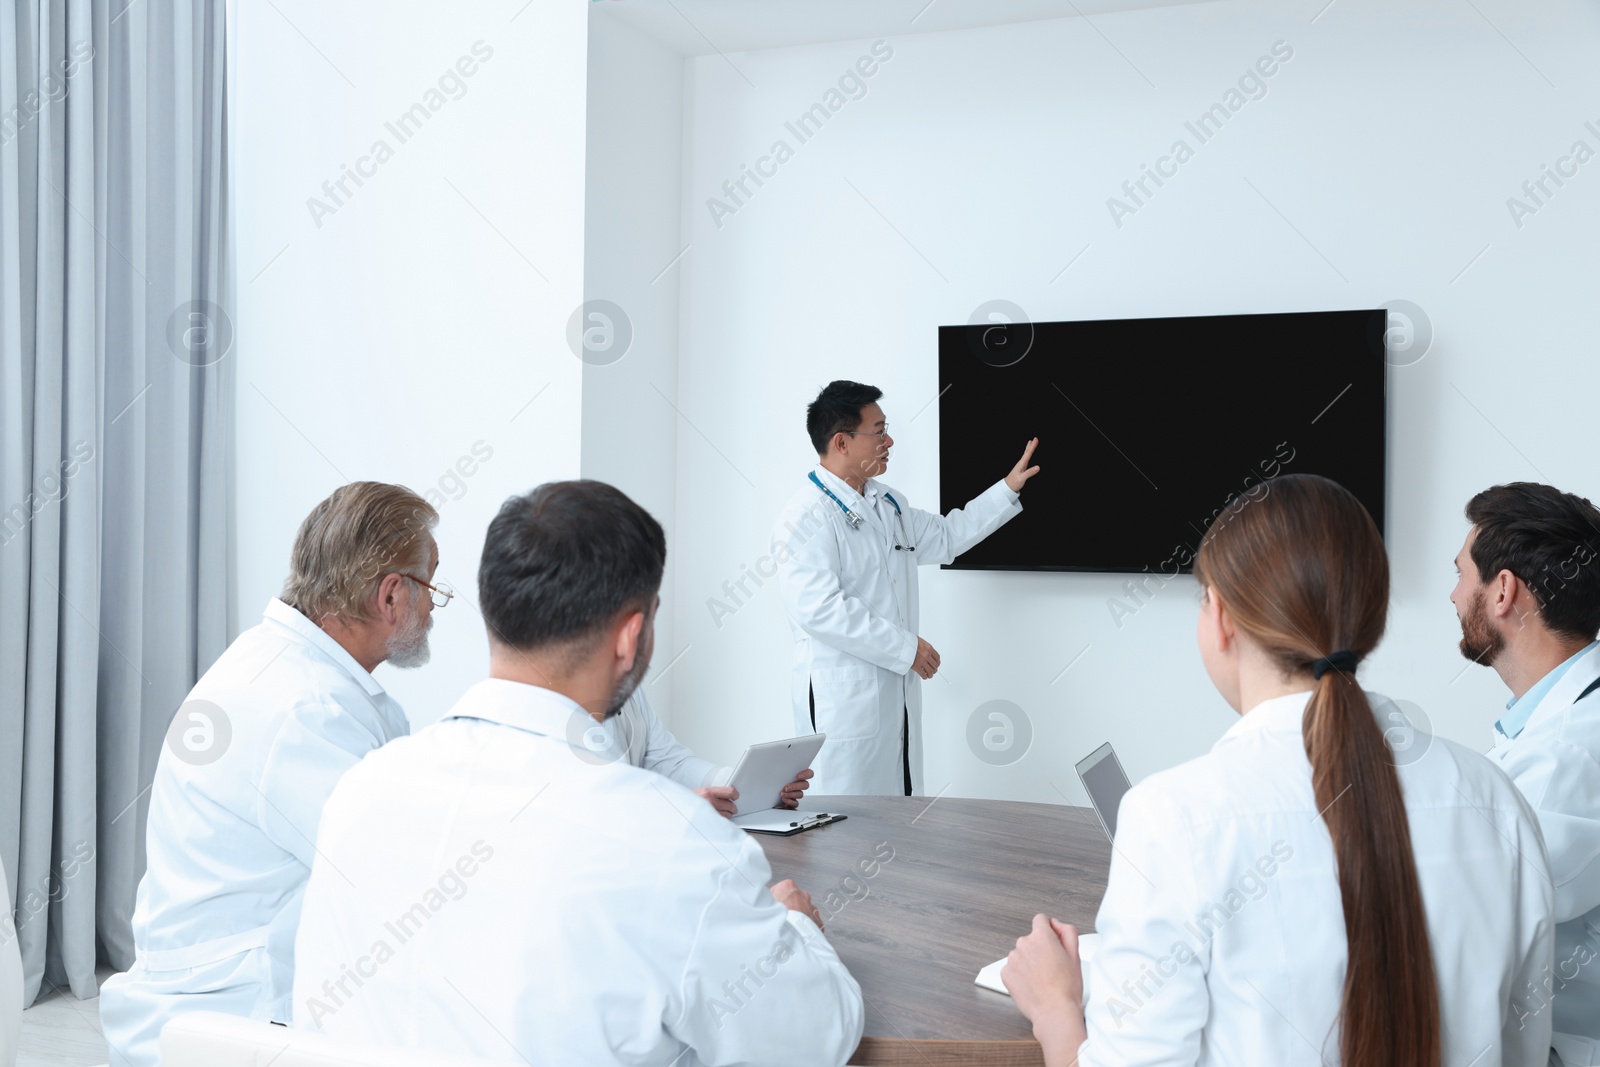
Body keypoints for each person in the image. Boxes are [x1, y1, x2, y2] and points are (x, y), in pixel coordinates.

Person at [292, 480, 863, 1066]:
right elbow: (819, 1039)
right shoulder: (674, 845)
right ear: (632, 635)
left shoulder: (361, 791)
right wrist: (796, 931)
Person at [1003, 473, 1554, 1066]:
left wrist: (1056, 1008)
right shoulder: (1498, 802)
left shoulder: (1173, 819)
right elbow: (1523, 1048)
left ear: (1221, 618)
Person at [99, 482, 442, 1067]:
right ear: (391, 595)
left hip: (217, 991)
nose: (434, 608)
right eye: (432, 587)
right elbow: (396, 875)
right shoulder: (305, 711)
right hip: (238, 1017)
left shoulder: (285, 667)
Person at [773, 380, 1039, 795]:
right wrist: (905, 648)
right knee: (843, 829)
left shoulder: (889, 504)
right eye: (878, 431)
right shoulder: (805, 516)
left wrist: (1007, 489)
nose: (889, 440)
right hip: (843, 704)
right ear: (842, 442)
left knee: (897, 817)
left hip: (892, 698)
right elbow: (820, 609)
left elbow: (949, 536)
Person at [1452, 481, 1600, 1066]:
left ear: (1503, 590)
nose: (1454, 594)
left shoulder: (1570, 752)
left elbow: (1474, 909)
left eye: (1462, 574)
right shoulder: (1556, 725)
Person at [606, 688, 813, 816]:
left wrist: (749, 784)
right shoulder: (577, 704)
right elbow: (603, 803)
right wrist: (683, 805)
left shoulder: (630, 687)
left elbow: (669, 761)